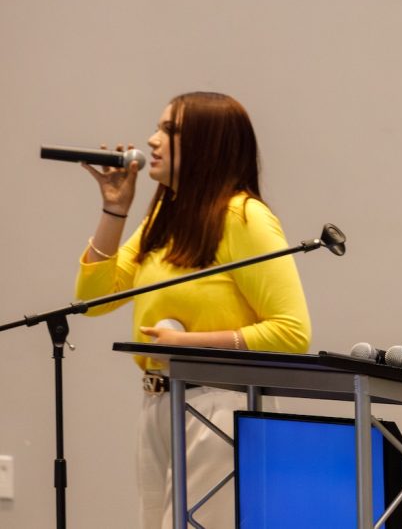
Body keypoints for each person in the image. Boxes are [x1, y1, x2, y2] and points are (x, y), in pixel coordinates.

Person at [75, 91, 312, 529]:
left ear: (209, 144)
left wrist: (188, 344)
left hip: (220, 404)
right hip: (159, 402)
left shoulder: (244, 217)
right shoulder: (165, 218)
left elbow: (292, 331)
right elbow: (92, 299)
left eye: (171, 130)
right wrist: (115, 209)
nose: (153, 140)